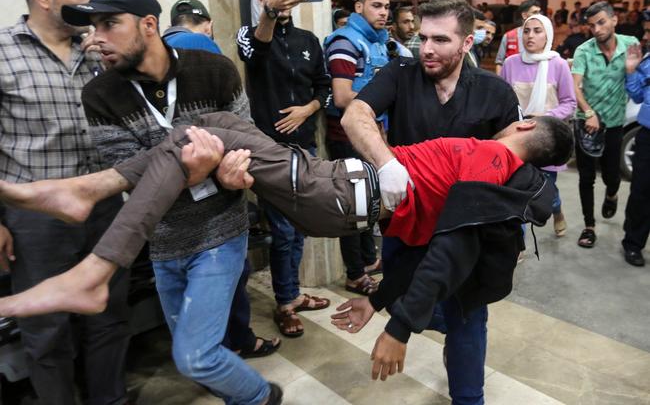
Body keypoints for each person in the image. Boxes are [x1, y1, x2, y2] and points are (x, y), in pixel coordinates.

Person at [0, 114, 572, 323]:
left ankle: (96, 265)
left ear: (524, 129)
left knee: (204, 133)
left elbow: (451, 237)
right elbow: (437, 234)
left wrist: (396, 317)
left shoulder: (492, 158)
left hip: (340, 194)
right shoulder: (495, 172)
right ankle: (85, 190)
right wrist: (381, 298)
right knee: (214, 122)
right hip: (339, 187)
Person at [60, 0, 282, 405]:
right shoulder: (100, 95)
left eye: (108, 24)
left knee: (196, 358)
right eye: (92, 28)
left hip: (220, 233)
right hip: (162, 243)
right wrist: (199, 169)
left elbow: (248, 142)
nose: (96, 39)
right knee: (195, 357)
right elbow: (131, 180)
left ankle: (260, 397)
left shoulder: (214, 71)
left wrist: (228, 172)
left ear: (148, 24)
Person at [339, 0, 521, 405]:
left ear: (467, 42)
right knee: (405, 298)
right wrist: (387, 165)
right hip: (406, 223)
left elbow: (513, 155)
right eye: (423, 37)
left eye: (441, 39)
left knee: (467, 318)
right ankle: (435, 315)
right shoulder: (402, 73)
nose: (427, 49)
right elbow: (355, 115)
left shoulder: (494, 92)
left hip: (464, 234)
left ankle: (468, 396)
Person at [0, 0, 130, 405]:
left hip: (105, 206)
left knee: (110, 317)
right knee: (47, 327)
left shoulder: (95, 52)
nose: (87, 5)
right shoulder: (3, 51)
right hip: (36, 218)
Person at [163, 0, 281, 358]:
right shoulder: (210, 53)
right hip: (218, 193)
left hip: (163, 204)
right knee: (230, 275)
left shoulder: (149, 57)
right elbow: (242, 129)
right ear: (209, 24)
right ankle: (237, 345)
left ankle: (203, 356)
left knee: (182, 289)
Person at [236, 0, 332, 338]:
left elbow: (323, 87)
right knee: (282, 230)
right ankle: (285, 302)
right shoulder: (251, 34)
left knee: (300, 228)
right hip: (268, 151)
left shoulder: (309, 40)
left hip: (304, 148)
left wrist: (307, 109)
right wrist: (270, 16)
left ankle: (291, 293)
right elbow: (254, 52)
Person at [324, 0, 393, 297]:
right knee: (354, 209)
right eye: (376, 5)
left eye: (387, 6)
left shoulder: (377, 42)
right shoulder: (346, 42)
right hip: (348, 137)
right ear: (358, 7)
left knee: (371, 204)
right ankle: (354, 274)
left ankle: (366, 261)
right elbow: (341, 96)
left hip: (371, 135)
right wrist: (384, 99)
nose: (383, 12)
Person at [571, 1, 640, 249]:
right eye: (592, 25)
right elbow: (575, 86)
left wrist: (633, 71)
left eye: (601, 22)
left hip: (614, 123)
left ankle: (612, 194)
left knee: (612, 175)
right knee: (586, 177)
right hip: (587, 123)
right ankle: (589, 226)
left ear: (614, 20)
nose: (597, 29)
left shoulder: (631, 45)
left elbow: (636, 84)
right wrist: (588, 112)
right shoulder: (583, 51)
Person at [501, 14, 577, 237]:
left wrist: (544, 119)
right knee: (517, 192)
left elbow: (569, 103)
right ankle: (519, 242)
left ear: (548, 35)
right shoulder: (510, 63)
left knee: (547, 192)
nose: (530, 35)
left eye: (537, 31)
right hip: (518, 141)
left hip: (546, 141)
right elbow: (504, 100)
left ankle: (557, 210)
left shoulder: (559, 65)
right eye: (526, 31)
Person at [620, 11, 650, 266]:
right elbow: (638, 96)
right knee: (641, 191)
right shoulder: (647, 61)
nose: (647, 36)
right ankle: (633, 243)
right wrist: (631, 71)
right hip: (647, 136)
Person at [495, 0, 541, 75]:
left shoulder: (542, 36)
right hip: (512, 81)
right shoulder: (509, 36)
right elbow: (499, 63)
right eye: (535, 12)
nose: (539, 15)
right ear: (524, 15)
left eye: (539, 12)